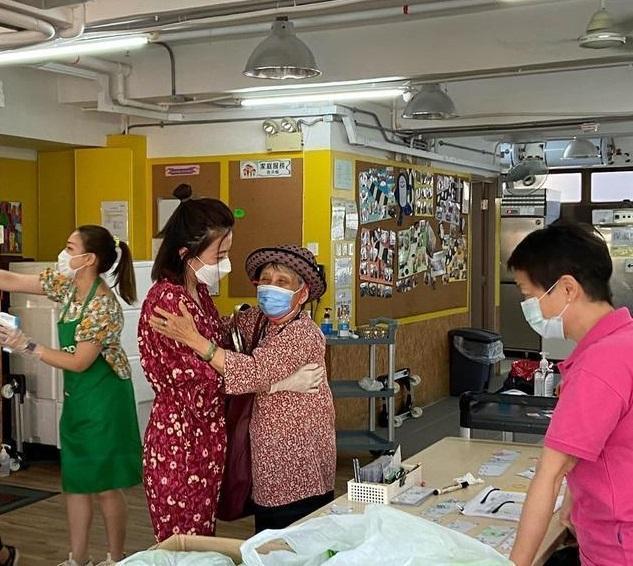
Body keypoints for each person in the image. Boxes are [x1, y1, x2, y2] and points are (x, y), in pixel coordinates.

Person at [138, 186, 324, 542]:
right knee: (184, 546)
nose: (225, 264)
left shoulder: (200, 295)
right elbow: (195, 382)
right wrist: (279, 383)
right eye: (219, 255)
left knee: (204, 540)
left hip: (210, 441)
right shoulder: (167, 302)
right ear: (186, 253)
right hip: (181, 442)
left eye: (227, 253)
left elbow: (222, 340)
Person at [0, 226, 142, 566]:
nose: (63, 254)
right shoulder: (68, 285)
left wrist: (27, 345)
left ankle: (116, 559)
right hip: (78, 396)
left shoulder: (102, 305)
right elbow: (13, 281)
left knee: (106, 484)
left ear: (88, 259)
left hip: (105, 399)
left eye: (69, 247)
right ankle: (77, 559)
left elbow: (79, 361)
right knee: (76, 481)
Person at [507, 222, 633, 566]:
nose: (529, 307)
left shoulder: (601, 364)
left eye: (529, 296)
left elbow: (550, 474)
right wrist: (573, 502)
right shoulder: (624, 341)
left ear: (566, 289)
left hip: (618, 548)